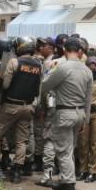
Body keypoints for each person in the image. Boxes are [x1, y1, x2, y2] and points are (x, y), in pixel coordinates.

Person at [41, 37, 93, 190]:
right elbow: (88, 99)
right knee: (69, 149)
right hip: (79, 114)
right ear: (79, 52)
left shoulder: (62, 68)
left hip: (64, 114)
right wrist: (86, 120)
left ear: (64, 50)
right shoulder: (87, 71)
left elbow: (45, 86)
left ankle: (69, 189)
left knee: (63, 152)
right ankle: (65, 181)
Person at [0, 36, 42, 182]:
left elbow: (5, 85)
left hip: (11, 105)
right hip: (28, 107)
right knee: (21, 141)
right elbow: (38, 89)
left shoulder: (14, 61)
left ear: (21, 47)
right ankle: (17, 172)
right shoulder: (38, 65)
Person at [33, 37, 56, 172]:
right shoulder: (45, 61)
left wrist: (43, 106)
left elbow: (46, 87)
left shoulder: (51, 63)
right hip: (46, 101)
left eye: (44, 46)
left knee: (44, 133)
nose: (41, 48)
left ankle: (44, 164)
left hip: (49, 103)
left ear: (51, 48)